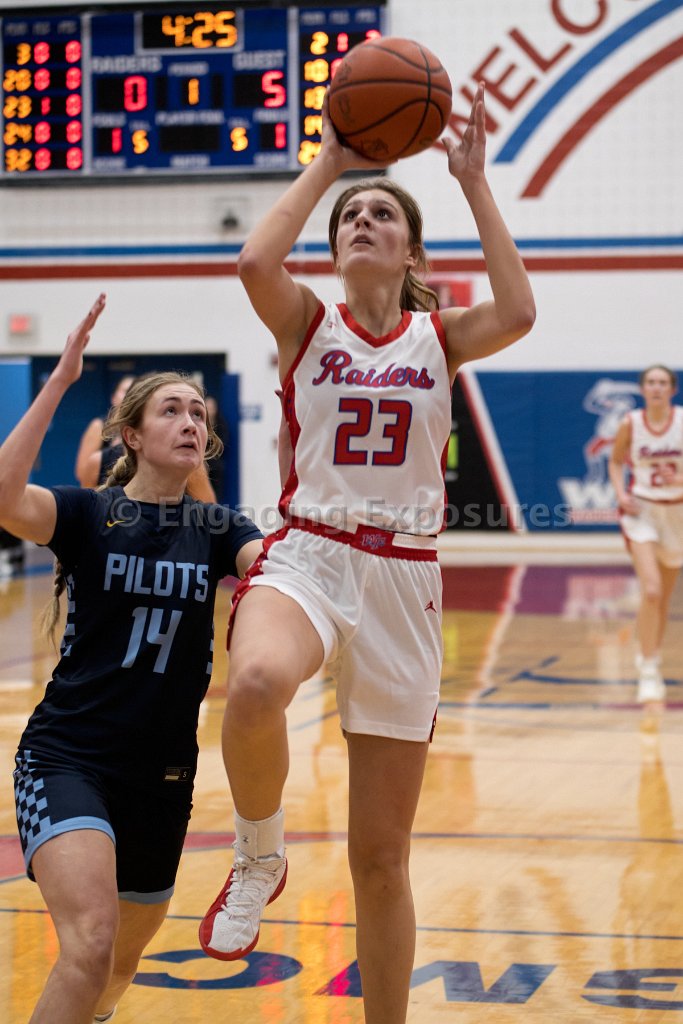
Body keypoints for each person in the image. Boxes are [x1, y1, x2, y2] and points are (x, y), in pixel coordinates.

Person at [199, 82, 535, 1024]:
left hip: (404, 579)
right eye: (350, 217)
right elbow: (253, 258)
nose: (361, 222)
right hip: (309, 552)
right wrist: (333, 162)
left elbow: (518, 311)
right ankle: (258, 855)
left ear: (410, 252)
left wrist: (472, 182)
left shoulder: (439, 337)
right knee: (254, 682)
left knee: (380, 859)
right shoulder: (306, 322)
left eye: (381, 214)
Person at [0, 294, 262, 1024]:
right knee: (90, 942)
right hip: (68, 757)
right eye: (172, 410)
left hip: (164, 775)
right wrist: (60, 380)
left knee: (116, 965)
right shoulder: (88, 513)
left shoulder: (219, 527)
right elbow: (4, 497)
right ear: (134, 436)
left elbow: (276, 577)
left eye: (198, 413)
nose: (190, 421)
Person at [608, 364, 683, 703]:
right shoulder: (631, 423)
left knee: (662, 598)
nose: (656, 387)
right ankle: (649, 670)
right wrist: (620, 494)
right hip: (643, 512)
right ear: (642, 389)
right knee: (651, 590)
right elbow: (615, 461)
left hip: (677, 513)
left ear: (672, 389)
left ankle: (649, 652)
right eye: (650, 382)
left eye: (662, 382)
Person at [74, 374, 134, 486]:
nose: (129, 395)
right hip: (103, 491)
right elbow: (82, 472)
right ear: (113, 397)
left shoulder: (141, 430)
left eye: (134, 392)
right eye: (126, 391)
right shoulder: (99, 425)